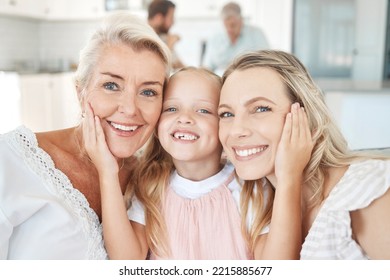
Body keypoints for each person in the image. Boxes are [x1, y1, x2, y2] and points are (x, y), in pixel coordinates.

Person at [85, 66, 312, 259]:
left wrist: (288, 178)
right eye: (171, 109)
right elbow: (125, 259)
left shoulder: (249, 189)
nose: (184, 118)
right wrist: (107, 172)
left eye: (203, 110)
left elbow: (277, 265)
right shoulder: (150, 187)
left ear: (224, 123)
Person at [0, 11, 171, 259]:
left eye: (148, 92)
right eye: (111, 86)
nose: (130, 109)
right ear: (81, 92)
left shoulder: (152, 180)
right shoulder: (10, 161)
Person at [218, 49, 390, 260]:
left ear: (305, 116)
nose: (236, 131)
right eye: (226, 114)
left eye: (261, 109)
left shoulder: (368, 191)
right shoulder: (258, 212)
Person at [203, 2, 269, 75]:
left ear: (241, 20)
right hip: (221, 81)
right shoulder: (215, 37)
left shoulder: (256, 33)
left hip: (249, 77)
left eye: (233, 25)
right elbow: (207, 66)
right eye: (226, 25)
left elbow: (266, 61)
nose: (229, 29)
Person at [148, 0, 185, 70]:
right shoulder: (142, 38)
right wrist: (170, 46)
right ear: (158, 18)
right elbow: (155, 69)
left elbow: (181, 66)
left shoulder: (163, 37)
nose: (173, 22)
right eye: (171, 18)